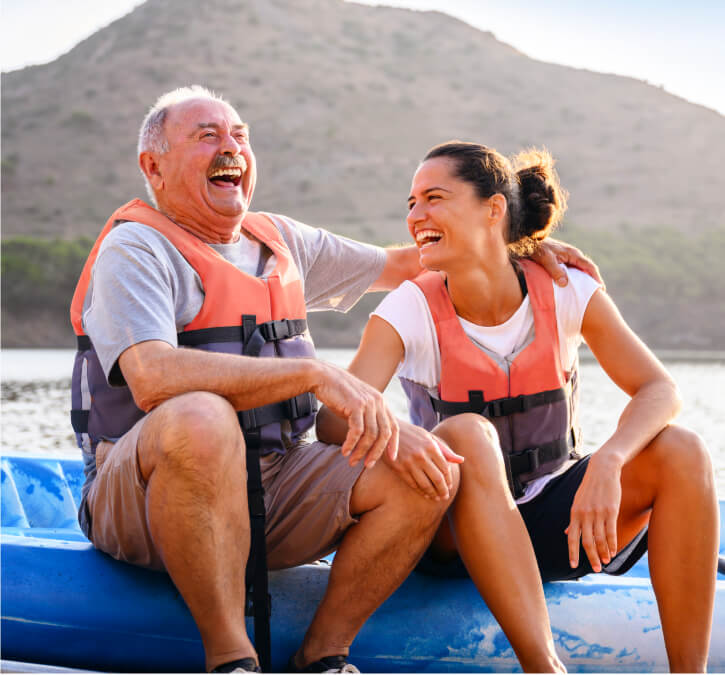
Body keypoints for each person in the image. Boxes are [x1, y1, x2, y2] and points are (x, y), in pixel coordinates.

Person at [69, 85, 598, 674]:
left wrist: (517, 248)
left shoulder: (283, 242)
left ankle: (321, 655)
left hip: (271, 485)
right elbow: (152, 377)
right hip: (143, 498)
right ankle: (230, 658)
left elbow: (411, 263)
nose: (231, 149)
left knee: (424, 469)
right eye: (207, 136)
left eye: (239, 135)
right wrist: (313, 374)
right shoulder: (136, 249)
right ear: (154, 166)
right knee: (201, 416)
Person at [317, 141, 719, 672]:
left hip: (557, 525)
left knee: (683, 450)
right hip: (451, 536)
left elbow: (659, 389)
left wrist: (610, 461)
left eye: (433, 198)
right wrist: (398, 432)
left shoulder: (565, 287)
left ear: (494, 208)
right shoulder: (409, 307)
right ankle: (543, 666)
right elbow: (329, 421)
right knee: (465, 434)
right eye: (411, 203)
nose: (416, 216)